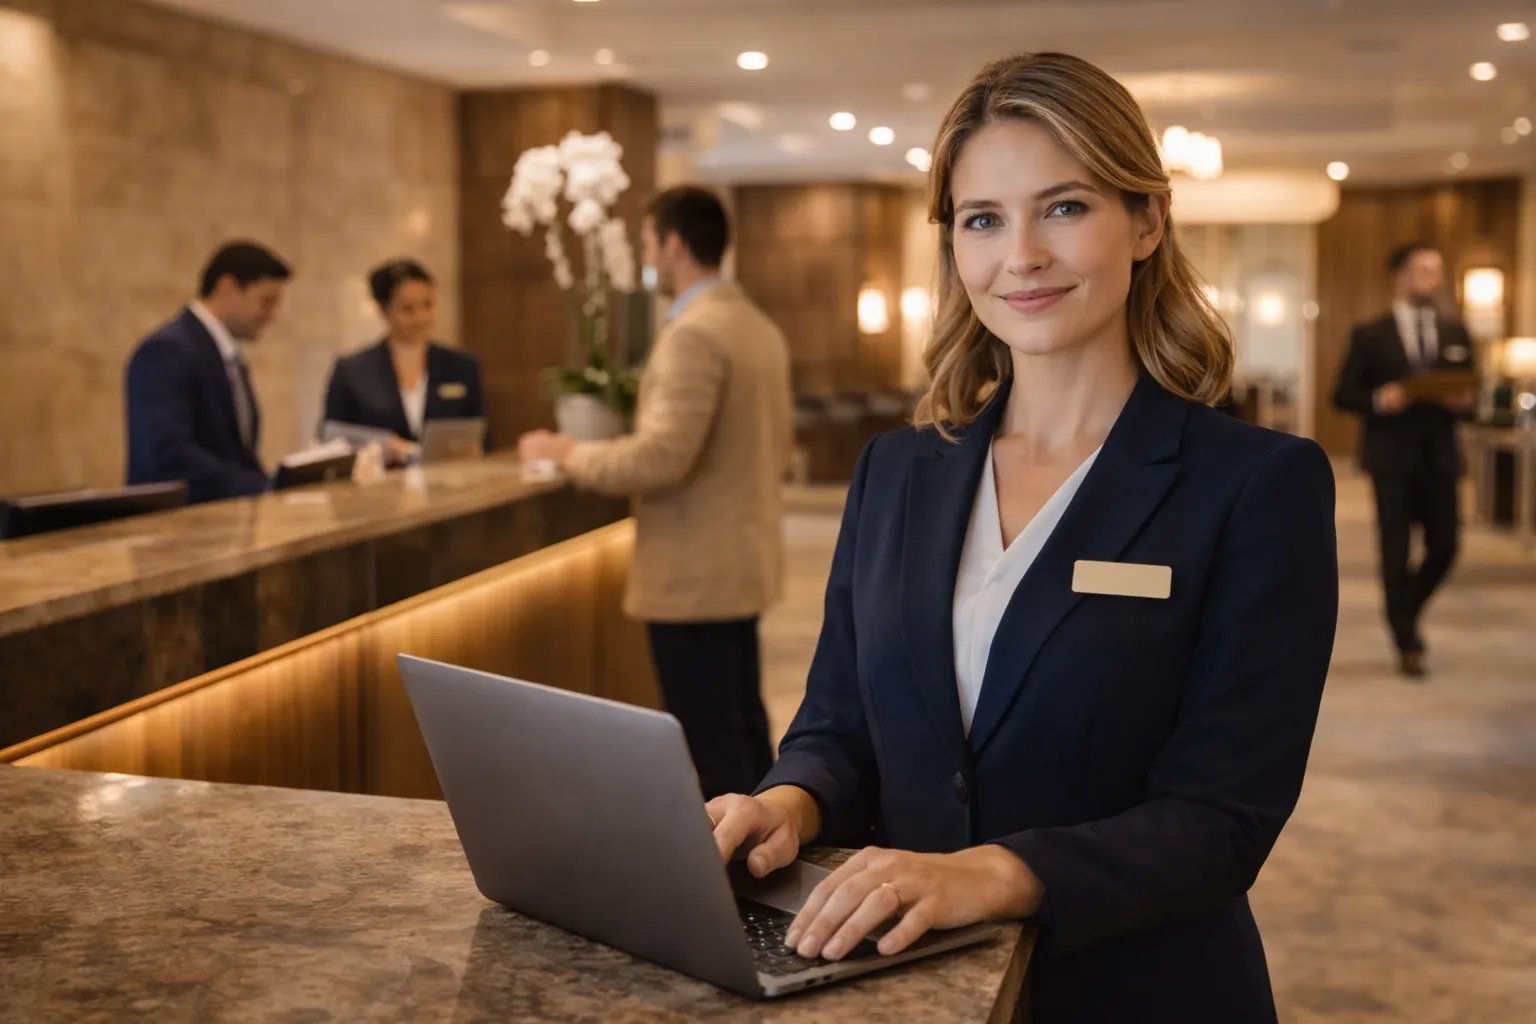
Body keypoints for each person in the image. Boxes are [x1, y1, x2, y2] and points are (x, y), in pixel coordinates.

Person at [705, 53, 1339, 1023]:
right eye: (983, 220)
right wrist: (787, 803)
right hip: (906, 985)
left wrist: (996, 875)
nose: (1022, 257)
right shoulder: (896, 473)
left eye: (1066, 207)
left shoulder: (1255, 487)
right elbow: (839, 727)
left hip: (1140, 992)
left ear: (1147, 222)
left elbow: (1223, 818)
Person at [518, 186, 794, 801]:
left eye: (648, 244)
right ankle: (770, 869)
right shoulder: (752, 323)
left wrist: (569, 453)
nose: (648, 258)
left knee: (716, 748)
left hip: (693, 577)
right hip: (737, 565)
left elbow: (663, 455)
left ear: (672, 244)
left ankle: (736, 886)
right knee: (742, 733)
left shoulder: (696, 332)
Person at [1333, 244, 1477, 679]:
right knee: (1394, 553)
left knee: (1446, 546)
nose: (1433, 278)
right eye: (1424, 270)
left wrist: (1463, 401)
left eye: (1438, 270)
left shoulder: (1456, 332)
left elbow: (1471, 397)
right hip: (1391, 458)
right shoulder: (1370, 334)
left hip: (1440, 458)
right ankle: (1406, 640)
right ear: (1400, 275)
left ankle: (1404, 610)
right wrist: (1381, 398)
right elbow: (1342, 395)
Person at [125, 241, 290, 504]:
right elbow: (168, 456)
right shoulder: (165, 351)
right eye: (266, 301)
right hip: (175, 529)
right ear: (227, 288)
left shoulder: (230, 358)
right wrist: (264, 487)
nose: (272, 316)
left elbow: (238, 454)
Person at [322, 259, 486, 463]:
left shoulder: (462, 366)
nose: (420, 317)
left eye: (427, 305)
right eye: (407, 309)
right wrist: (381, 445)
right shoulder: (352, 371)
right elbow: (329, 440)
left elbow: (481, 437)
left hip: (446, 484)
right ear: (384, 310)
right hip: (379, 487)